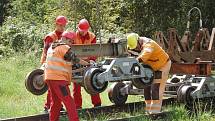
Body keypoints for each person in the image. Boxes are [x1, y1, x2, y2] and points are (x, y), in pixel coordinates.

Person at [44, 31, 90, 121]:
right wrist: (88, 64)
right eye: (70, 41)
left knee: (56, 102)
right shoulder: (64, 47)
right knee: (69, 102)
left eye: (72, 42)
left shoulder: (53, 47)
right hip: (59, 80)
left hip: (49, 78)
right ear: (65, 39)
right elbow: (75, 59)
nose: (70, 44)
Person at [127, 33, 171, 114]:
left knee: (156, 89)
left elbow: (144, 56)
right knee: (146, 88)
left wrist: (134, 62)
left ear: (139, 40)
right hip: (150, 68)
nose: (136, 49)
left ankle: (155, 112)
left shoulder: (149, 44)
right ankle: (148, 111)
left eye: (136, 46)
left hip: (162, 66)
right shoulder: (134, 45)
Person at [40, 15, 68, 112]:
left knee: (58, 86)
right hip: (49, 63)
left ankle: (57, 106)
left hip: (59, 64)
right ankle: (48, 106)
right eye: (60, 25)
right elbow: (47, 52)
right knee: (51, 86)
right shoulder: (50, 37)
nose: (62, 28)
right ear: (56, 24)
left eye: (64, 26)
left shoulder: (65, 36)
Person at [73, 19, 101, 109]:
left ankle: (97, 104)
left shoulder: (92, 36)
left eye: (85, 31)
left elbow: (95, 50)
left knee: (93, 83)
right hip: (76, 63)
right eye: (81, 31)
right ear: (78, 28)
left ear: (88, 29)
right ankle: (77, 106)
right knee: (76, 85)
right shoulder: (73, 36)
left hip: (89, 63)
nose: (83, 33)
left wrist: (92, 60)